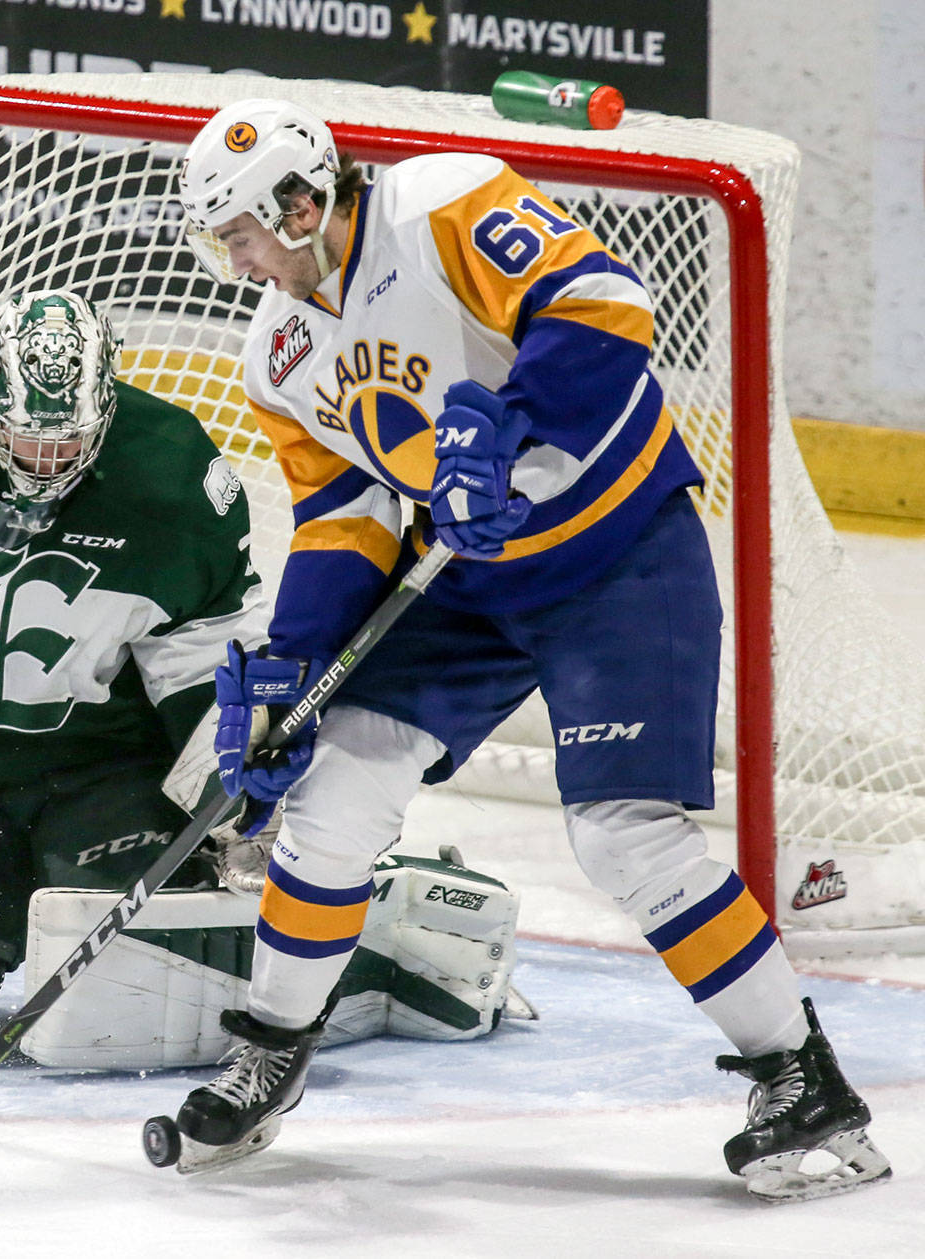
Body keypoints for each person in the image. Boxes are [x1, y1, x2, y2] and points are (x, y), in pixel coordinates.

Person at [158, 98, 891, 1199]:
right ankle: (271, 1045)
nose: (237, 260)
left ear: (302, 203)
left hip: (616, 554)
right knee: (333, 787)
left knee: (623, 841)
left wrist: (508, 421)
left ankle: (802, 1078)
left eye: (244, 233)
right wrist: (296, 665)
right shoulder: (277, 351)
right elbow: (346, 511)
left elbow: (603, 302)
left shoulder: (442, 201)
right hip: (461, 579)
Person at [0, 288, 524, 1069]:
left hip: (107, 779)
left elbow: (203, 665)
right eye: (25, 439)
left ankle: (378, 938)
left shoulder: (174, 474)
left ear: (107, 408)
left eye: (68, 440)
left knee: (121, 984)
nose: (45, 462)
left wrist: (231, 771)